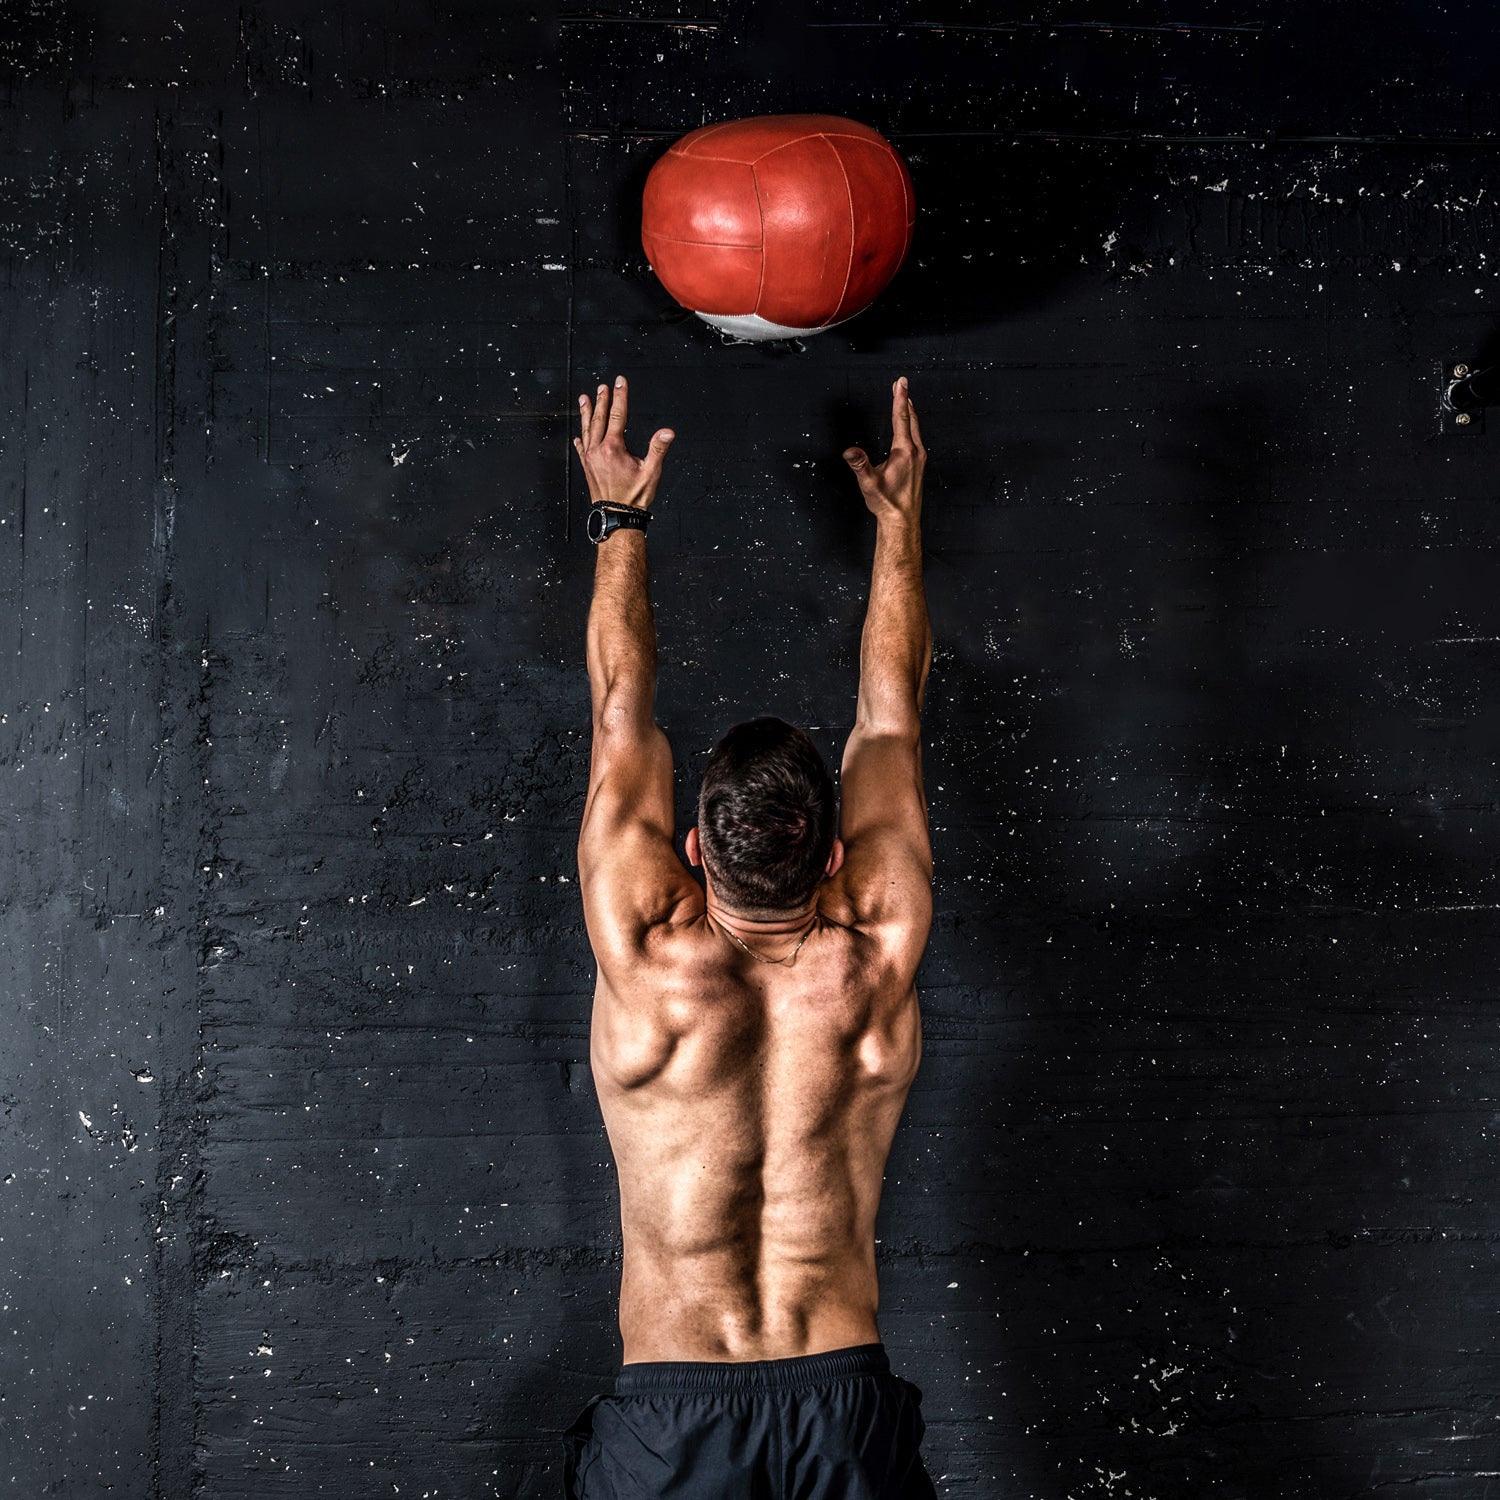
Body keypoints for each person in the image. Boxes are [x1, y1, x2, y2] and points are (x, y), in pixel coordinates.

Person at [563, 373, 937, 1499]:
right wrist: (898, 524)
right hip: (846, 1406)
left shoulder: (643, 948)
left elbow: (620, 711)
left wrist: (621, 517)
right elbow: (891, 715)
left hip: (674, 1411)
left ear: (692, 852)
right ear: (835, 860)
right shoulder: (878, 947)